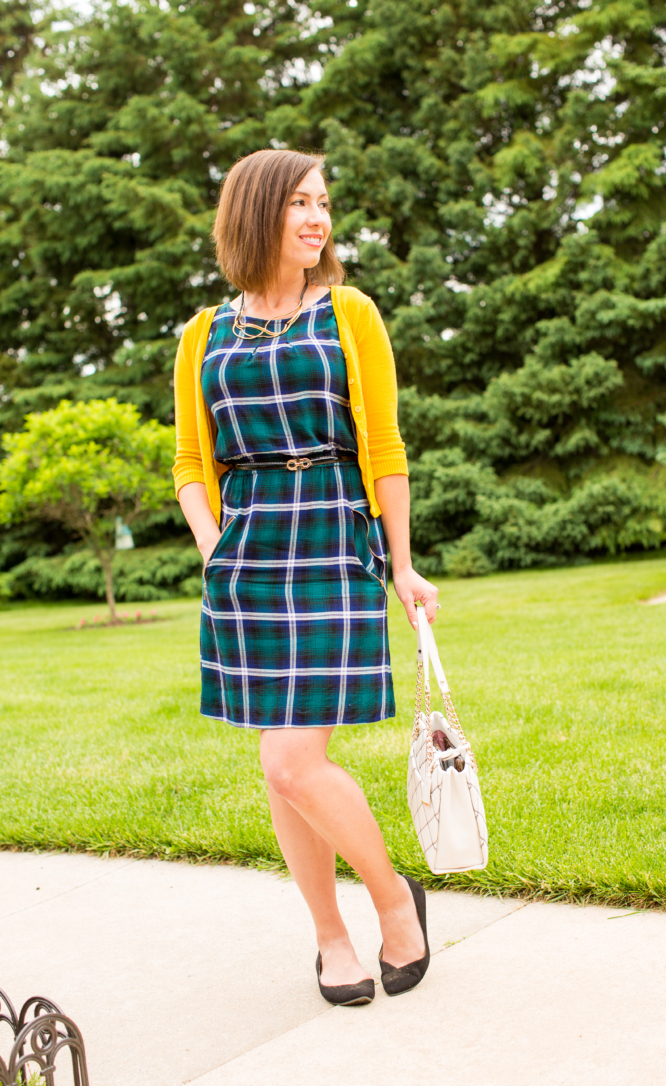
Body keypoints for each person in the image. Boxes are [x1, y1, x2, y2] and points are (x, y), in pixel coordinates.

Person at [173, 149, 439, 1005]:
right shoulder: (203, 333)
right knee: (280, 765)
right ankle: (332, 938)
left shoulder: (351, 314)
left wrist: (402, 563)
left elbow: (384, 444)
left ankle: (394, 901)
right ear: (255, 213)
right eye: (298, 203)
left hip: (330, 536)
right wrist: (214, 545)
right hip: (246, 553)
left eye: (323, 203)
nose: (317, 218)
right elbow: (188, 459)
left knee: (292, 760)